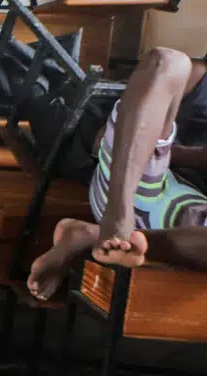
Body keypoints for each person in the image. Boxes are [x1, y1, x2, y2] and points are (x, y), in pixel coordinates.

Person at [28, 47, 207, 300]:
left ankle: (113, 240)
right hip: (139, 186)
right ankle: (117, 220)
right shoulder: (199, 76)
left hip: (179, 236)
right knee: (168, 62)